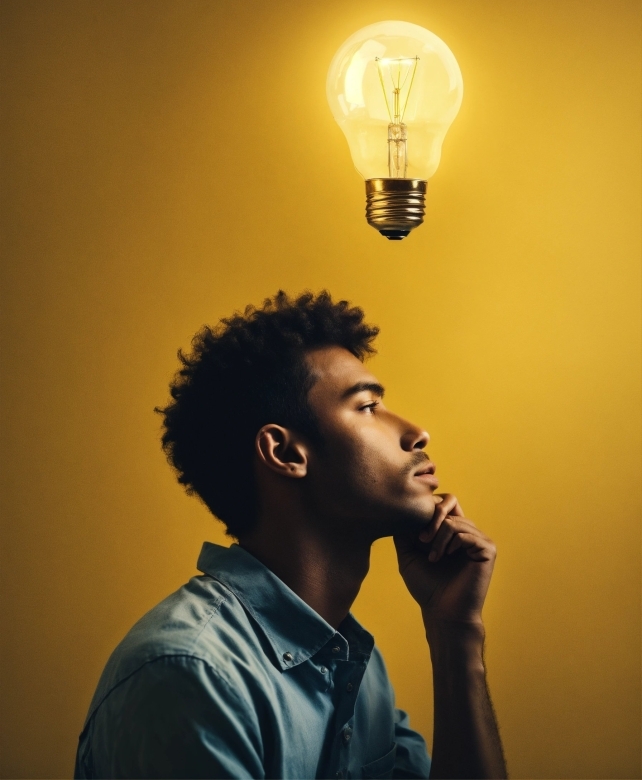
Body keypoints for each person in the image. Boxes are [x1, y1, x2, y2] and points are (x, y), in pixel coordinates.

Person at [75, 291, 507, 779]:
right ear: (286, 453)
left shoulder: (353, 666)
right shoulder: (189, 675)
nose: (416, 432)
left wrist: (455, 637)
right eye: (367, 406)